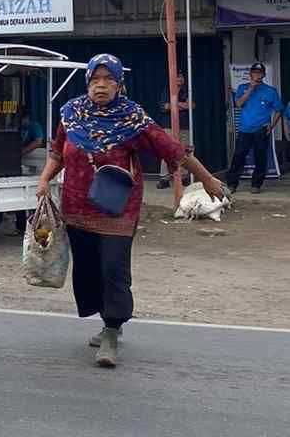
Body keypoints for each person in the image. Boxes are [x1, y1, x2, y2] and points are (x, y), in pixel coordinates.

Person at [36, 53, 224, 368]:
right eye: (96, 80)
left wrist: (206, 178)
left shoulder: (133, 118)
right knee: (88, 269)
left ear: (120, 84)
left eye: (109, 80)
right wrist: (43, 179)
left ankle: (112, 329)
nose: (101, 86)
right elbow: (58, 152)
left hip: (117, 209)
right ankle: (107, 319)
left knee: (113, 268)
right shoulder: (70, 114)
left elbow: (172, 148)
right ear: (87, 83)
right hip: (77, 205)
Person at [226, 63, 285, 194]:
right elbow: (239, 104)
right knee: (238, 156)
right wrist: (250, 89)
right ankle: (232, 184)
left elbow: (279, 110)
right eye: (254, 73)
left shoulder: (270, 91)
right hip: (244, 129)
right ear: (250, 75)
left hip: (261, 129)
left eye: (259, 73)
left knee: (260, 157)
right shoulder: (242, 88)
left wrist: (272, 125)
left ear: (263, 75)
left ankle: (256, 184)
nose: (257, 75)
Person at [157, 71, 194, 189]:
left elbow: (192, 105)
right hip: (168, 125)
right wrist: (183, 105)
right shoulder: (166, 90)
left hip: (184, 125)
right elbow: (165, 106)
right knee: (166, 151)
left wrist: (175, 104)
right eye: (177, 76)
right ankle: (165, 178)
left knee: (184, 151)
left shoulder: (187, 91)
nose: (180, 79)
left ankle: (184, 176)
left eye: (182, 77)